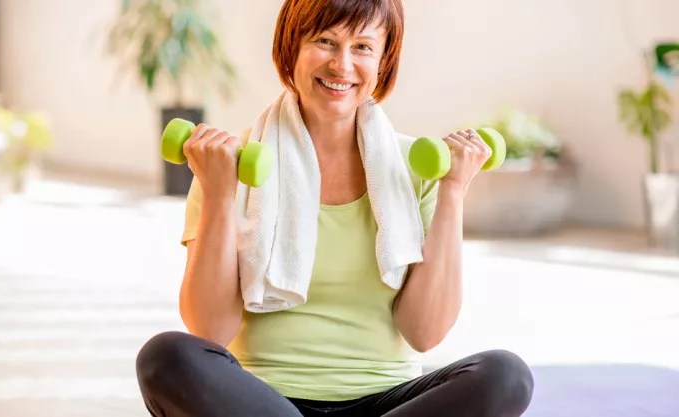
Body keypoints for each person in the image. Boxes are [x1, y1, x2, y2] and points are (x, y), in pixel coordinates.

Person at [136, 0, 534, 415]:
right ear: (292, 47)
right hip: (264, 402)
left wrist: (452, 190)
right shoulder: (228, 165)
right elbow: (210, 332)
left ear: (384, 61)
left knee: (507, 375)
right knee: (166, 356)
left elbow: (424, 332)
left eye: (363, 47)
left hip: (387, 401)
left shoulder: (417, 168)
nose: (342, 65)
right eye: (326, 41)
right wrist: (219, 193)